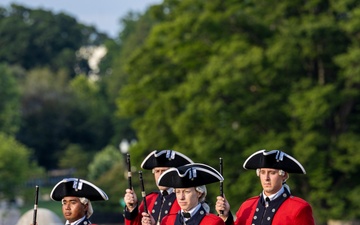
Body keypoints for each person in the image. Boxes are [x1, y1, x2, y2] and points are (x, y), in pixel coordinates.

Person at [215, 149, 315, 225]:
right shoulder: (247, 206)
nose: (266, 178)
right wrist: (225, 216)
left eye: (272, 173)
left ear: (283, 175)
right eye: (262, 172)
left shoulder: (299, 208)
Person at [141, 163, 226, 225]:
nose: (181, 197)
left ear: (199, 193)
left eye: (186, 192)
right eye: (178, 192)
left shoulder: (213, 222)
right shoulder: (167, 221)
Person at [124, 150, 193, 225]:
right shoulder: (148, 199)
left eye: (164, 171)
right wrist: (132, 207)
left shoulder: (184, 200)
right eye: (157, 171)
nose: (160, 175)